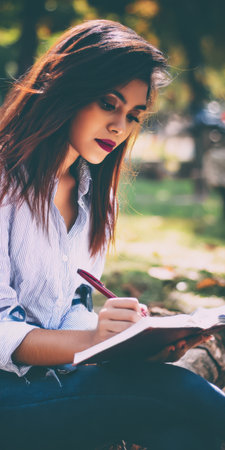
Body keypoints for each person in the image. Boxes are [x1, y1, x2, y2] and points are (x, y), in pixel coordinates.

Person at [0, 19, 224, 450]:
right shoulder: (6, 186)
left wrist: (125, 339)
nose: (120, 127)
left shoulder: (92, 197)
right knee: (177, 391)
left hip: (55, 385)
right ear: (65, 88)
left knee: (181, 432)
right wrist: (92, 341)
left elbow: (68, 311)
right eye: (108, 104)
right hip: (9, 396)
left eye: (133, 115)